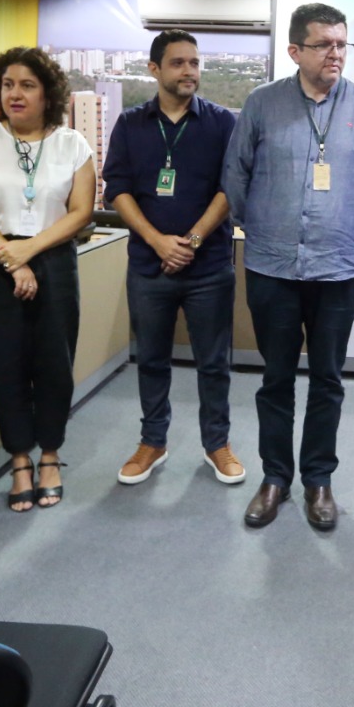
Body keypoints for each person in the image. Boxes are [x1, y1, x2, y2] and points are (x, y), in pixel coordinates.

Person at [223, 2, 354, 531]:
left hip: (338, 269)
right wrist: (267, 227)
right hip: (272, 266)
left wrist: (342, 231)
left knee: (328, 380)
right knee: (275, 379)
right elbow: (236, 176)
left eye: (343, 44)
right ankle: (275, 478)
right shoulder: (261, 104)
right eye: (324, 45)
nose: (336, 54)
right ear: (295, 50)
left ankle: (319, 479)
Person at [0, 47, 95, 511]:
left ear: (47, 93)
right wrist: (11, 259)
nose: (15, 94)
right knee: (3, 365)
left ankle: (50, 456)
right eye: (8, 84)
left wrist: (30, 253)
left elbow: (80, 212)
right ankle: (19, 460)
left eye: (27, 85)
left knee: (54, 363)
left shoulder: (72, 145)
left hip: (53, 259)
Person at [103, 30, 240, 487]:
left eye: (195, 63)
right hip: (148, 264)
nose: (190, 72)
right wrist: (158, 241)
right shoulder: (131, 123)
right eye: (179, 63)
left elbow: (231, 189)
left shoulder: (222, 123)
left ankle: (216, 443)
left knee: (214, 361)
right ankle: (153, 442)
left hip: (209, 267)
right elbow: (117, 188)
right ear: (155, 69)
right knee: (153, 359)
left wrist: (193, 241)